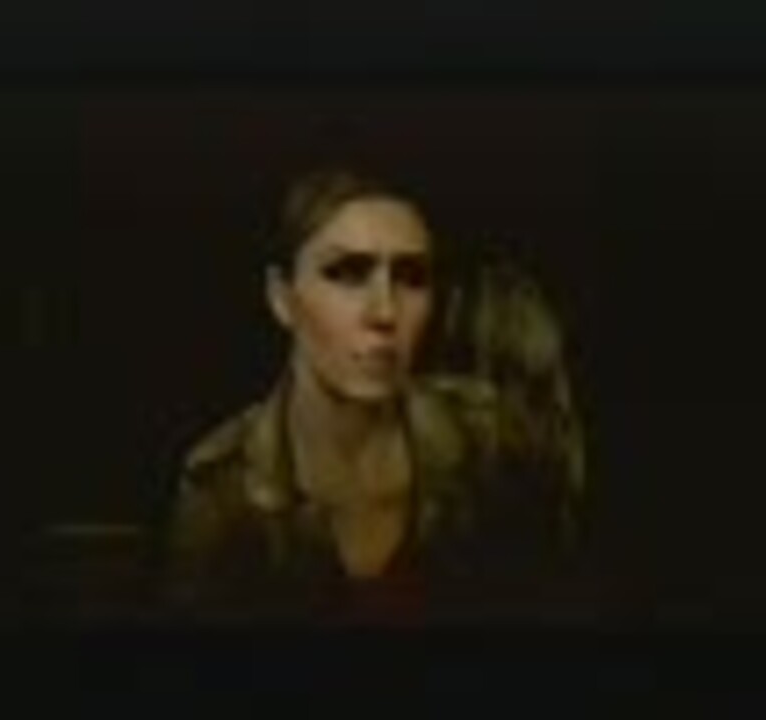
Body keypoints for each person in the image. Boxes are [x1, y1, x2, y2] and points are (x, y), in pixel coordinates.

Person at [156, 168, 585, 624]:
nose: (384, 312)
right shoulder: (222, 491)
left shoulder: (485, 437)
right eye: (347, 273)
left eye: (411, 277)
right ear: (282, 297)